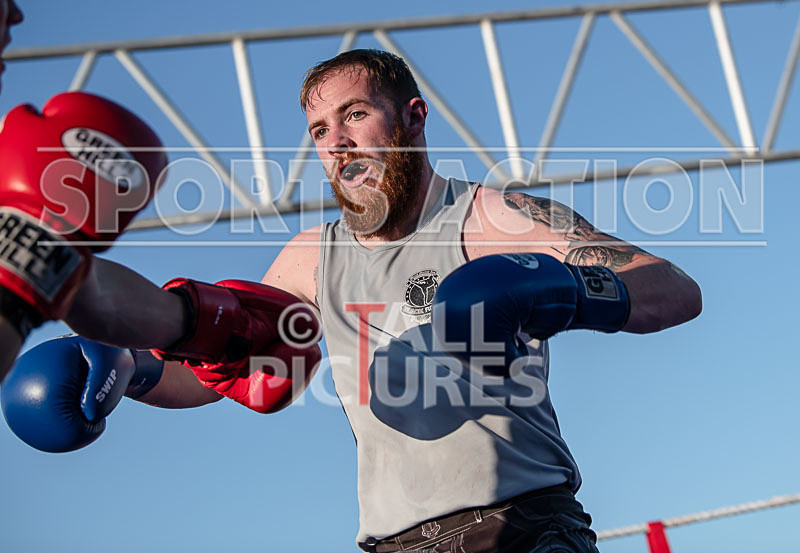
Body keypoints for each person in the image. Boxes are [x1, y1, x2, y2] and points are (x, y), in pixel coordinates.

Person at [3, 49, 702, 552]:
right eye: (318, 131)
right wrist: (137, 371)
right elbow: (241, 359)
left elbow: (671, 288)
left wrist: (568, 286)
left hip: (522, 527)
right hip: (389, 543)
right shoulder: (312, 256)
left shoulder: (492, 217)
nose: (337, 144)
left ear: (413, 117)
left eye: (355, 115)